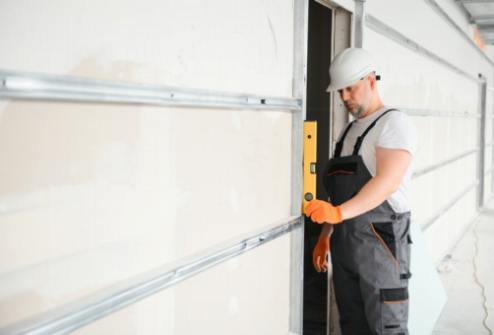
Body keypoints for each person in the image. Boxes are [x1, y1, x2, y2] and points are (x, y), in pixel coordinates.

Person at [304, 48, 417, 335]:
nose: (344, 98)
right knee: (352, 326)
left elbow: (386, 183)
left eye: (350, 89)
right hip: (346, 249)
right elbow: (338, 197)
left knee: (385, 327)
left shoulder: (393, 123)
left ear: (370, 80)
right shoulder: (347, 133)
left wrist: (338, 213)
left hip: (381, 250)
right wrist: (326, 235)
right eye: (340, 91)